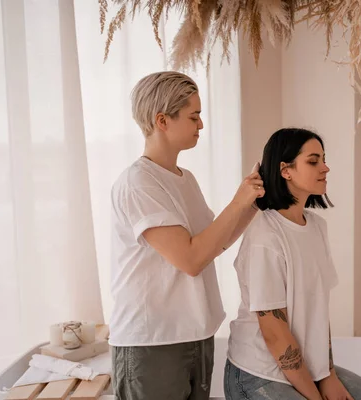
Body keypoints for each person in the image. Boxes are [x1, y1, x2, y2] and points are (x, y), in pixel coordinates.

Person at [108, 71, 264, 400]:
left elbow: (212, 244)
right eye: (194, 116)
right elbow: (190, 260)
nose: (201, 125)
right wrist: (239, 199)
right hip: (152, 342)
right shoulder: (139, 182)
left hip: (195, 333)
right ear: (162, 120)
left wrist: (254, 203)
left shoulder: (184, 179)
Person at [224, 128, 361, 400]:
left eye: (324, 159)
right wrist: (314, 396)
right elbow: (274, 333)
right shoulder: (265, 235)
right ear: (285, 170)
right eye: (313, 161)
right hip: (258, 374)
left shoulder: (316, 227)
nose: (326, 168)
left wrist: (327, 375)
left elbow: (317, 313)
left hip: (306, 368)